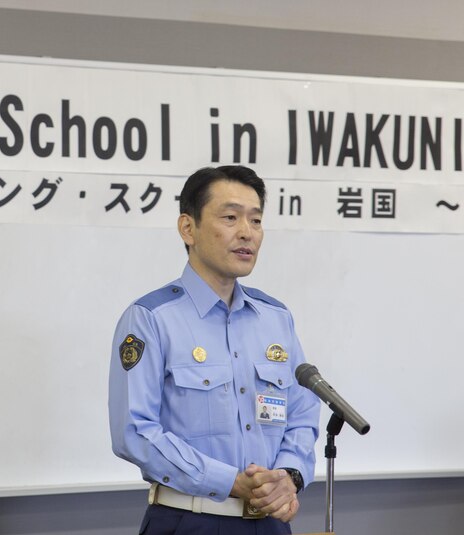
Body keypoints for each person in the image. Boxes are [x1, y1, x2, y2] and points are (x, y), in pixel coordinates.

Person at [108, 165, 320, 534]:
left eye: (255, 220)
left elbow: (302, 413)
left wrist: (288, 476)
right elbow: (136, 431)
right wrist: (229, 481)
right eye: (230, 217)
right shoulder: (150, 319)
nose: (246, 233)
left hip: (269, 524)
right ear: (188, 228)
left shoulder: (275, 318)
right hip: (189, 521)